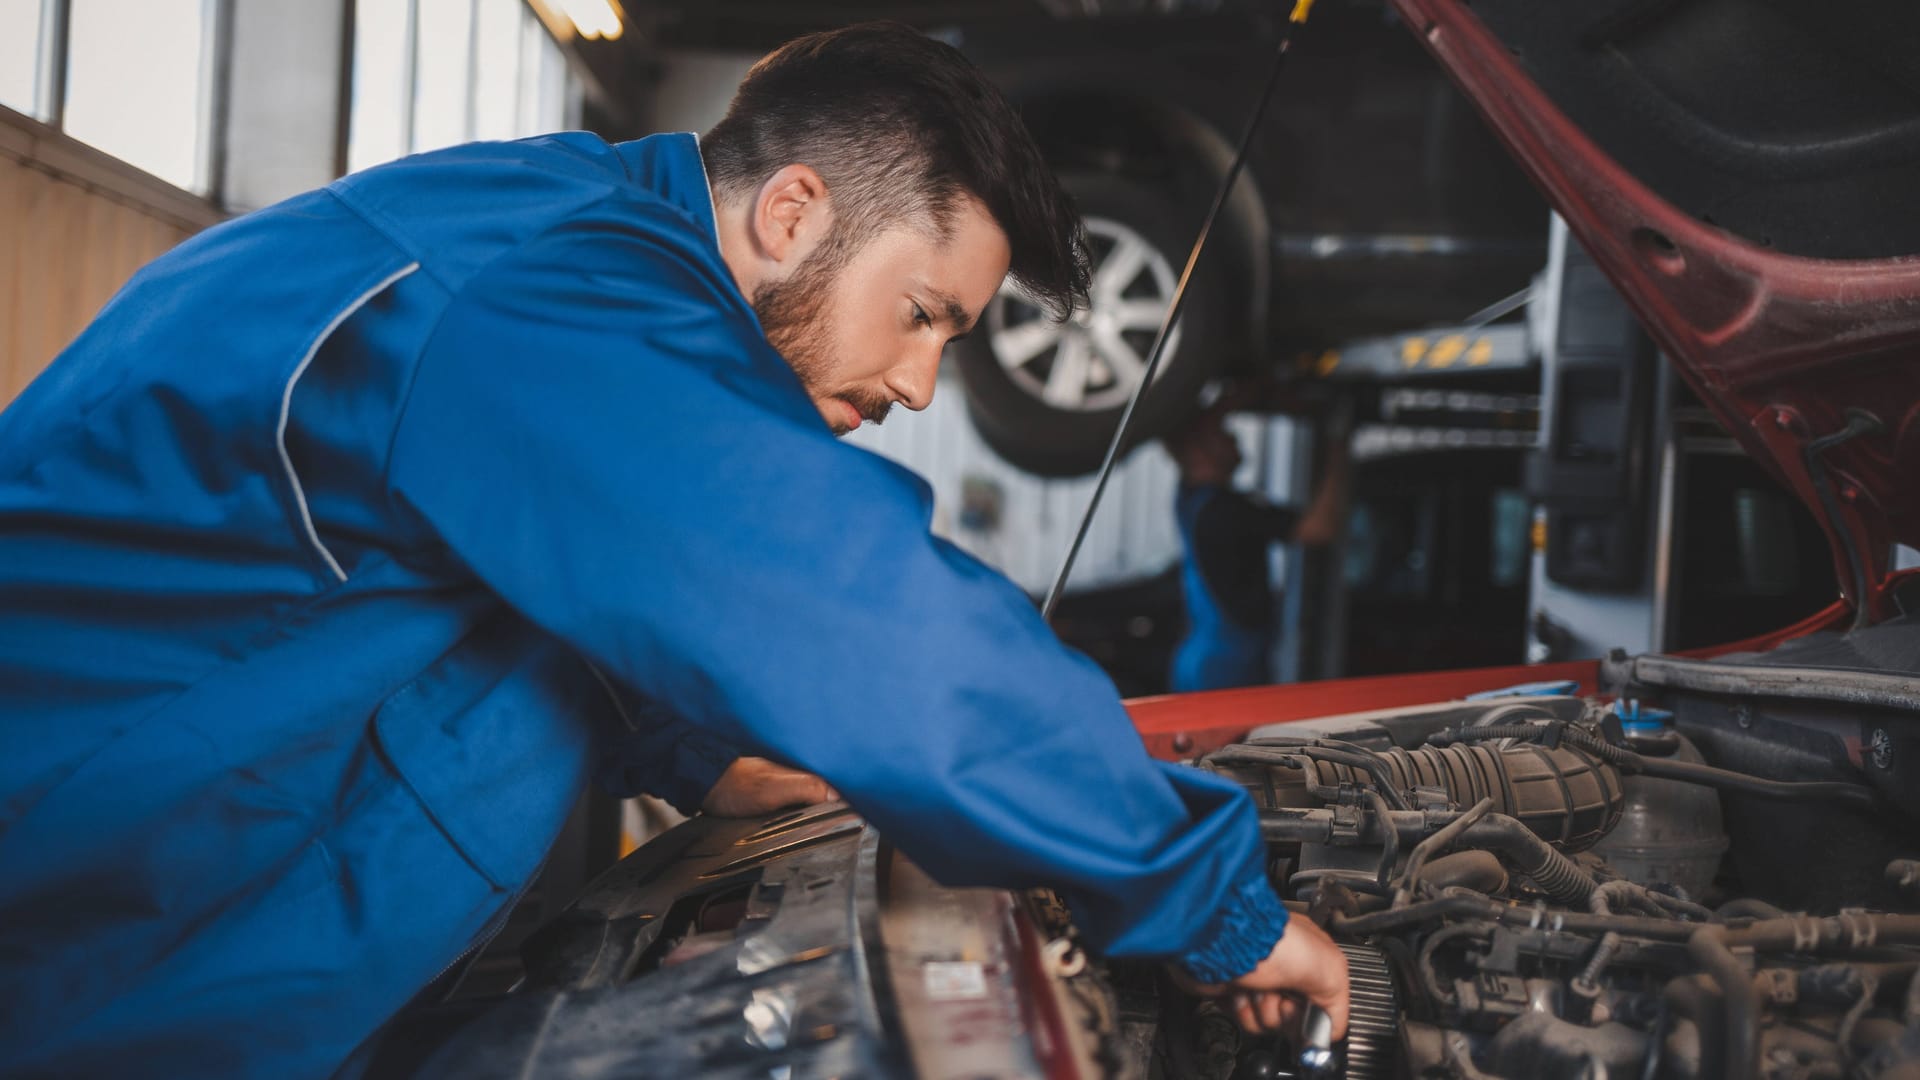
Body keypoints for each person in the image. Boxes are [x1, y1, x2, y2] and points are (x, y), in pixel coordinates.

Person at [0, 23, 1346, 1075]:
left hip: (171, 915)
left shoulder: (563, 247)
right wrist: (1208, 901)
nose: (925, 386)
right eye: (925, 314)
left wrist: (700, 750)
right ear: (794, 213)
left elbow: (469, 599)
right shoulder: (548, 300)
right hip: (76, 938)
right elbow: (845, 609)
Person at [1166, 403, 1348, 692]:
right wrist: (1340, 452)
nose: (1233, 439)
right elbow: (1319, 529)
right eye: (1222, 435)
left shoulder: (1188, 498)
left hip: (1198, 659)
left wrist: (1238, 396)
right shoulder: (1228, 511)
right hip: (1227, 667)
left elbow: (1194, 430)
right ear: (1198, 452)